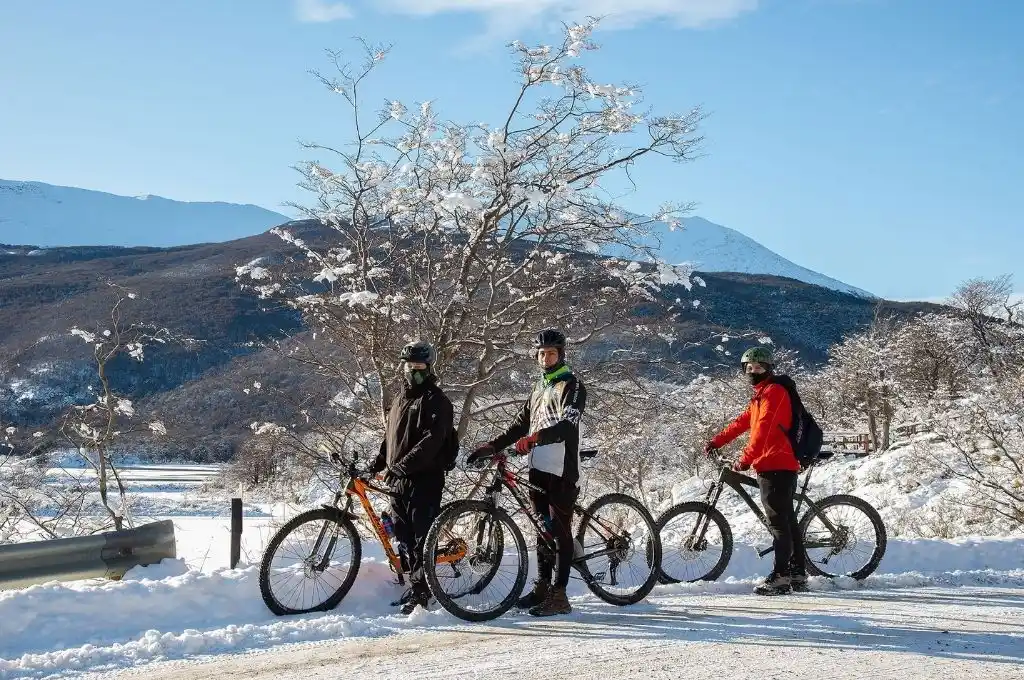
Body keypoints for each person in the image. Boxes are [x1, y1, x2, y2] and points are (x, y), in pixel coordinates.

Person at [467, 328, 587, 617]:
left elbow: (567, 426)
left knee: (559, 531)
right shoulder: (539, 388)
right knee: (541, 528)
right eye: (541, 354)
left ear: (561, 355)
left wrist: (535, 438)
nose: (546, 358)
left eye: (551, 353)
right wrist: (491, 446)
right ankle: (543, 587)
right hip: (538, 467)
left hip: (562, 468)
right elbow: (520, 425)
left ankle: (560, 595)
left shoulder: (572, 386)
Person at [705, 346, 808, 595]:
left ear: (769, 369)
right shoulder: (761, 395)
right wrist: (716, 441)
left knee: (778, 523)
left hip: (776, 464)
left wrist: (744, 460)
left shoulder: (774, 392)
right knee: (787, 520)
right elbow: (742, 423)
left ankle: (781, 577)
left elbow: (763, 430)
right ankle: (797, 572)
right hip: (774, 463)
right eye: (749, 368)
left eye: (759, 367)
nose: (753, 372)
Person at [369, 341, 456, 614]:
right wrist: (377, 464)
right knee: (403, 536)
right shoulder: (400, 399)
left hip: (425, 479)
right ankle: (415, 585)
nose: (413, 371)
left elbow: (432, 441)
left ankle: (422, 593)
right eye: (409, 366)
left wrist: (401, 467)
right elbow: (390, 439)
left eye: (419, 366)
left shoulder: (437, 401)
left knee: (421, 539)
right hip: (399, 480)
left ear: (429, 368)